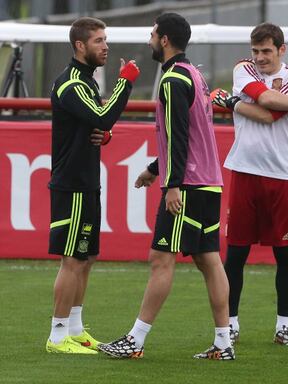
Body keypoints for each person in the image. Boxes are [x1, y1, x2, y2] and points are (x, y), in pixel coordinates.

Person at [98, 13, 234, 361]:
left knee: (161, 258)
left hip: (186, 185)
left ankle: (136, 340)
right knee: (209, 259)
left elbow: (178, 136)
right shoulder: (195, 75)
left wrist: (171, 183)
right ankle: (224, 343)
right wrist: (154, 168)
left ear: (164, 39)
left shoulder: (173, 79)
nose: (149, 39)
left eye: (152, 33)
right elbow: (190, 134)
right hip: (209, 182)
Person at [211, 23, 288, 347]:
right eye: (256, 51)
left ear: (281, 50)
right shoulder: (242, 68)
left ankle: (283, 327)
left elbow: (270, 113)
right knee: (235, 254)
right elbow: (266, 103)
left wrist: (231, 102)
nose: (259, 58)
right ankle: (230, 324)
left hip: (281, 174)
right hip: (244, 169)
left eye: (266, 51)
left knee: (285, 255)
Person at [46, 16, 140, 354]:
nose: (106, 46)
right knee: (72, 260)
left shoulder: (85, 83)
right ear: (80, 45)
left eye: (106, 39)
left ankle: (76, 329)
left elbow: (94, 122)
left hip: (86, 182)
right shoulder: (71, 83)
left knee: (87, 257)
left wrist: (106, 132)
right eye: (99, 40)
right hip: (70, 185)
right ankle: (57, 337)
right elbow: (101, 116)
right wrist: (124, 83)